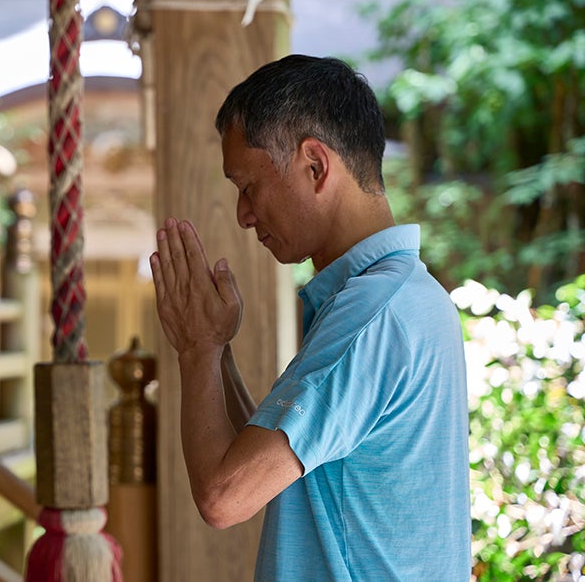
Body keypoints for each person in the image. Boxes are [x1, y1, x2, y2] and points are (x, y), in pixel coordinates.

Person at [149, 55, 471, 581]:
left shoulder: (373, 315)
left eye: (248, 186)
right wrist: (217, 350)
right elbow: (270, 465)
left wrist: (196, 350)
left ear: (315, 165)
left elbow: (224, 496)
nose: (243, 215)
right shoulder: (402, 296)